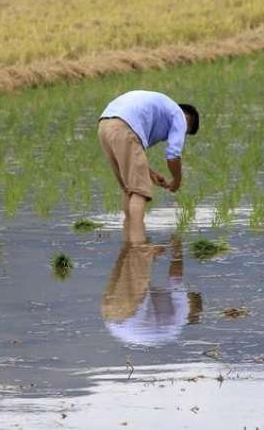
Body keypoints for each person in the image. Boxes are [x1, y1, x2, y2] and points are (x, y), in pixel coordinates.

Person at [98, 90, 199, 244]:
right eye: (184, 132)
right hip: (124, 127)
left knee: (129, 188)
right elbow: (173, 155)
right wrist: (177, 181)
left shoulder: (161, 109)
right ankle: (139, 245)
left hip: (105, 125)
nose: (181, 135)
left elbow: (132, 155)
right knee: (140, 192)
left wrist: (151, 174)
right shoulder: (179, 115)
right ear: (187, 119)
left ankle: (129, 243)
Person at [101, 239, 203, 347]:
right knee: (126, 257)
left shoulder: (181, 318)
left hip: (130, 321)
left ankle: (137, 236)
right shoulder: (171, 329)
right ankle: (135, 239)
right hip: (112, 321)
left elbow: (175, 277)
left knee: (129, 256)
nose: (187, 293)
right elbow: (141, 282)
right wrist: (151, 257)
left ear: (193, 309)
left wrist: (177, 249)